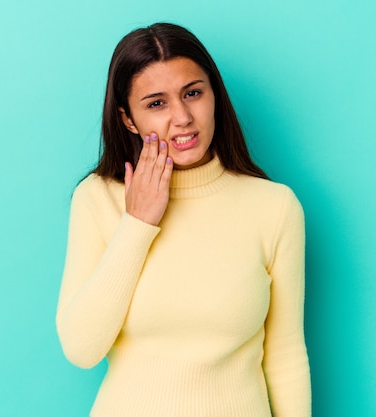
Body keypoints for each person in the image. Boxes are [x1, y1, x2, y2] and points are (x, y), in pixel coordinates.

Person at [56, 22, 311, 417]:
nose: (182, 117)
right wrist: (137, 224)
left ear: (215, 95)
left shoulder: (274, 207)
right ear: (128, 119)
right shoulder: (98, 198)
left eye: (193, 93)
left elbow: (285, 354)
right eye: (156, 103)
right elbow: (81, 349)